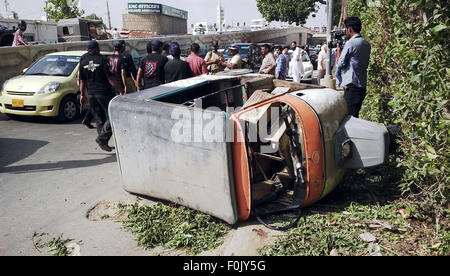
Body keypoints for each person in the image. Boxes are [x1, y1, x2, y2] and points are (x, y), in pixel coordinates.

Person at [78, 40, 124, 152]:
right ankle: (102, 139)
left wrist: (82, 95)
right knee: (113, 116)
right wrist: (121, 90)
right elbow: (110, 78)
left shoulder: (83, 61)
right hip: (104, 93)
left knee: (98, 118)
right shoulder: (103, 59)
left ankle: (102, 140)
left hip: (91, 94)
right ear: (97, 48)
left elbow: (81, 80)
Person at [335, 16, 371, 118]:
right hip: (361, 84)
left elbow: (341, 62)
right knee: (355, 115)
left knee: (350, 117)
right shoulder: (366, 43)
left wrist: (338, 54)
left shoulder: (351, 43)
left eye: (346, 28)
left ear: (349, 29)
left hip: (352, 85)